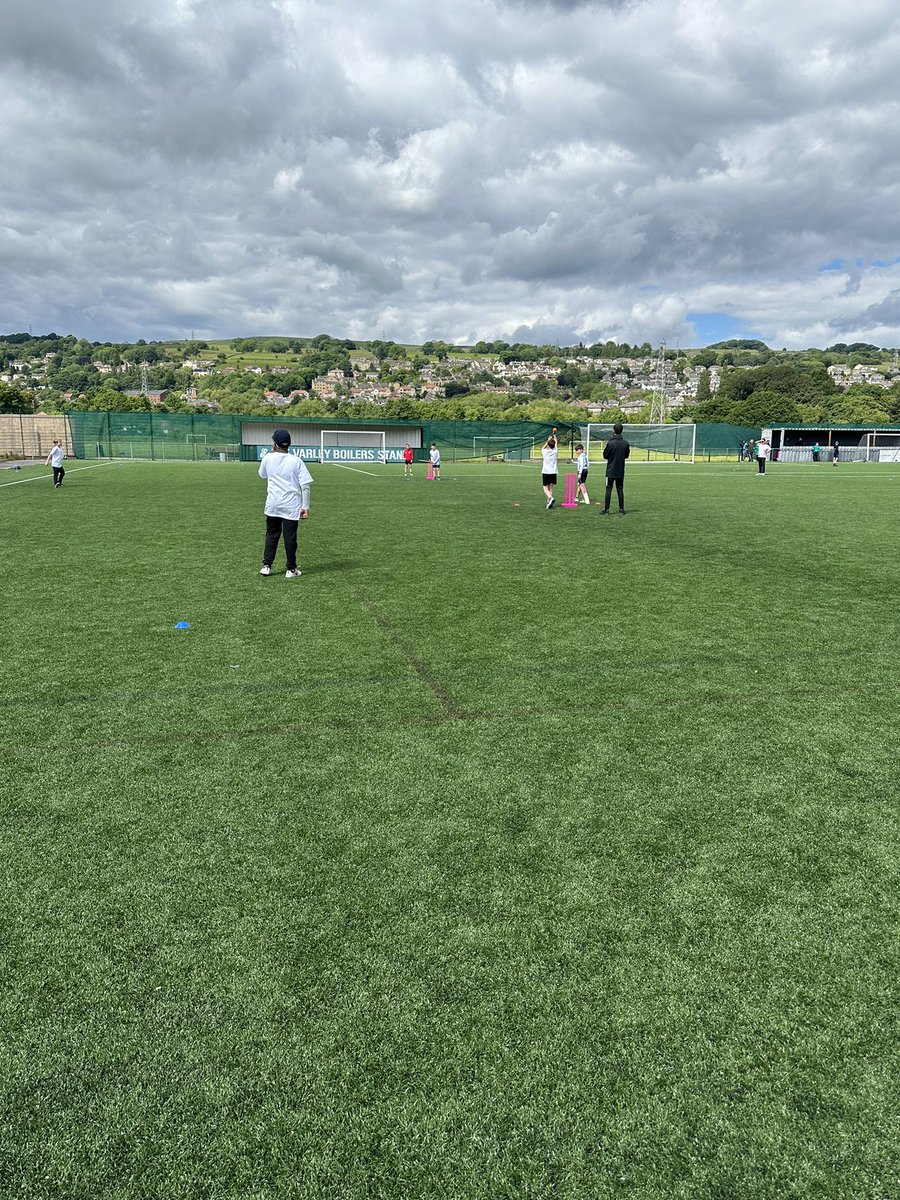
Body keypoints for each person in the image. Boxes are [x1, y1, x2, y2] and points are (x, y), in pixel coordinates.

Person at [258, 429, 312, 578]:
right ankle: (291, 569)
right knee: (290, 537)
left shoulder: (267, 458)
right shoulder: (296, 460)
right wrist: (305, 507)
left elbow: (262, 475)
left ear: (275, 444)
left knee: (271, 534)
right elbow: (305, 485)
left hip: (273, 504)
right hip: (291, 505)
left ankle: (266, 565)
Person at [601, 422, 630, 513]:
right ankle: (621, 509)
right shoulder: (625, 443)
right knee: (620, 489)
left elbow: (605, 455)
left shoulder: (610, 443)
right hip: (620, 470)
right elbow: (626, 455)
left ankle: (606, 509)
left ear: (614, 430)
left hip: (610, 471)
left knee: (608, 489)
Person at [541, 434, 558, 508]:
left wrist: (548, 441)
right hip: (553, 472)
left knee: (545, 487)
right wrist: (555, 438)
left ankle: (550, 498)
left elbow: (543, 447)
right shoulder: (555, 451)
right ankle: (549, 502)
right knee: (550, 487)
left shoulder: (544, 451)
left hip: (546, 472)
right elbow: (556, 444)